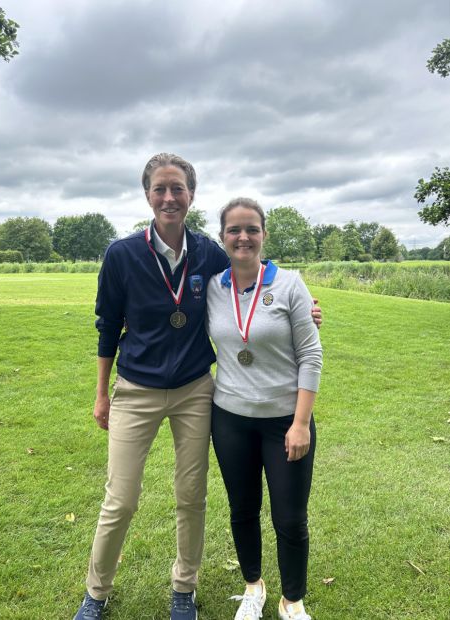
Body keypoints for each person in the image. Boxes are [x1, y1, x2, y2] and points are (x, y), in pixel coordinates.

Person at [74, 154, 322, 620]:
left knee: (191, 495)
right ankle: (97, 591)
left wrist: (302, 307)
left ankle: (183, 589)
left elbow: (250, 274)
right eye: (160, 189)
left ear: (191, 195)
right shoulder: (122, 255)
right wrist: (103, 392)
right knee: (120, 498)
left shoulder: (208, 252)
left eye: (178, 189)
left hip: (194, 390)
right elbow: (107, 326)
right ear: (147, 194)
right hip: (137, 388)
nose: (169, 198)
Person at [207, 198, 323, 620]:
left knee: (290, 518)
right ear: (223, 238)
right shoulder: (212, 288)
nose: (243, 237)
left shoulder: (290, 284)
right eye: (234, 230)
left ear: (263, 235)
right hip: (230, 419)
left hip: (284, 422)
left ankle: (292, 600)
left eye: (251, 229)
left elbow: (311, 354)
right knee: (242, 510)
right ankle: (253, 586)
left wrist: (301, 423)